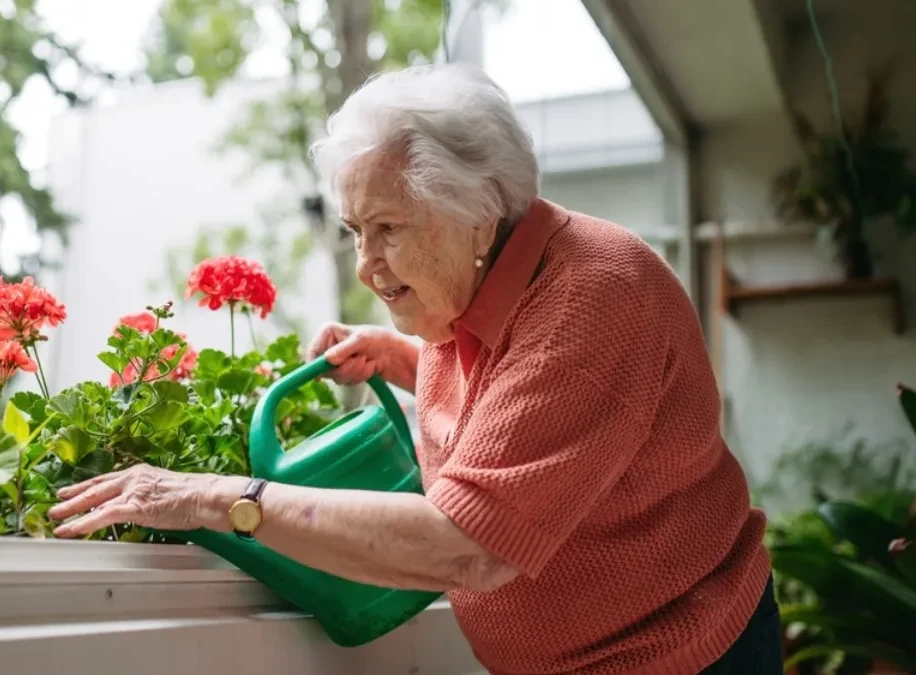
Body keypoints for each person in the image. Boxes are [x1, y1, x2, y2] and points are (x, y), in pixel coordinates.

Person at [49, 63, 781, 674]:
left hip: (675, 654)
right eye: (355, 232)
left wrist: (219, 498)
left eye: (388, 230)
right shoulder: (482, 280)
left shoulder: (590, 303)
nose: (366, 266)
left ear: (478, 215)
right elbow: (510, 386)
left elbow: (468, 545)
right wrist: (398, 355)